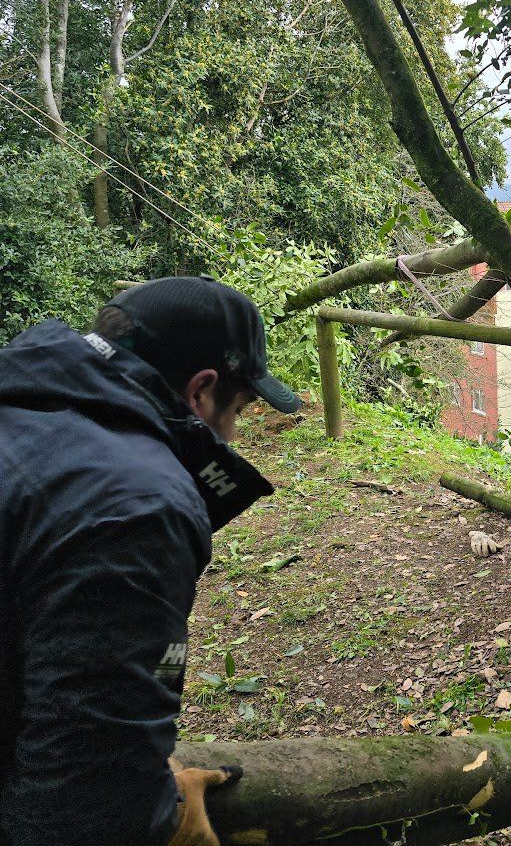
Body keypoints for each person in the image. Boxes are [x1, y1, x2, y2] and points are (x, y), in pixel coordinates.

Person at [0, 276, 301, 846]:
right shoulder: (136, 505)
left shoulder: (23, 403)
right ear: (200, 391)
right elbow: (89, 781)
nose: (233, 436)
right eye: (236, 410)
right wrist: (160, 815)